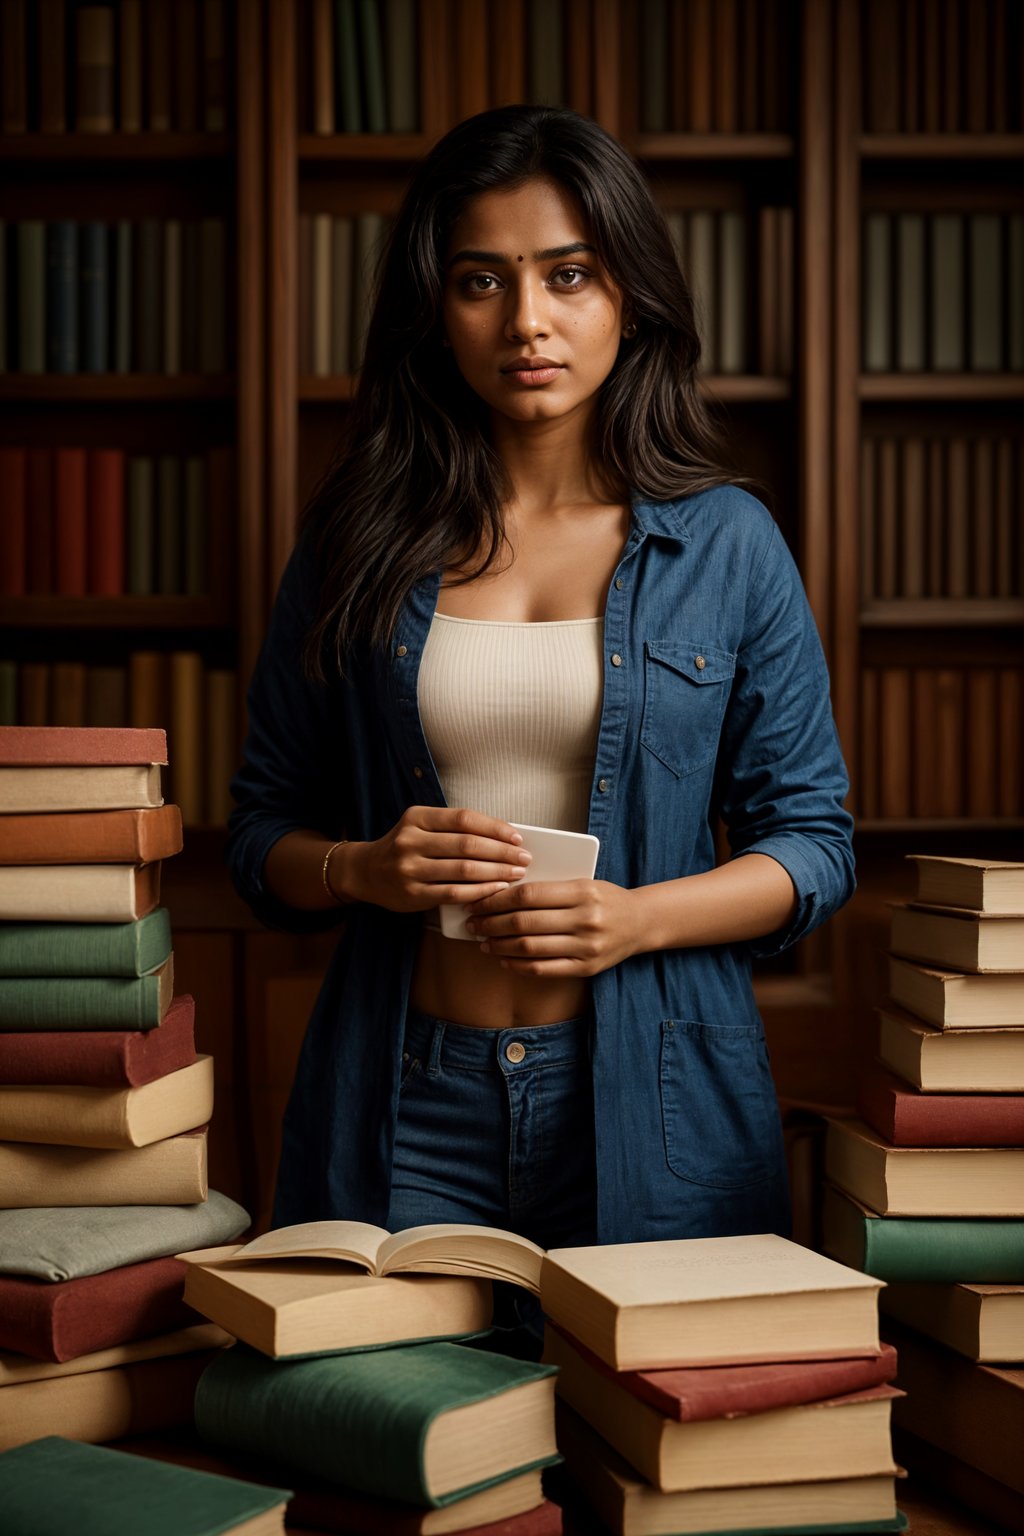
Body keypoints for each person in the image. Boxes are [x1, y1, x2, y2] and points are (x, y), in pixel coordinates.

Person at [226, 104, 855, 1263]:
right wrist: (362, 867)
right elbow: (258, 832)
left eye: (569, 275)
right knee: (390, 1432)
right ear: (436, 311)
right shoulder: (354, 543)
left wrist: (634, 918)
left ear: (629, 294)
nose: (528, 320)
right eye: (481, 281)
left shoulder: (728, 544)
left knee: (651, 1439)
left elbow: (814, 844)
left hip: (654, 1103)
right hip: (401, 1099)